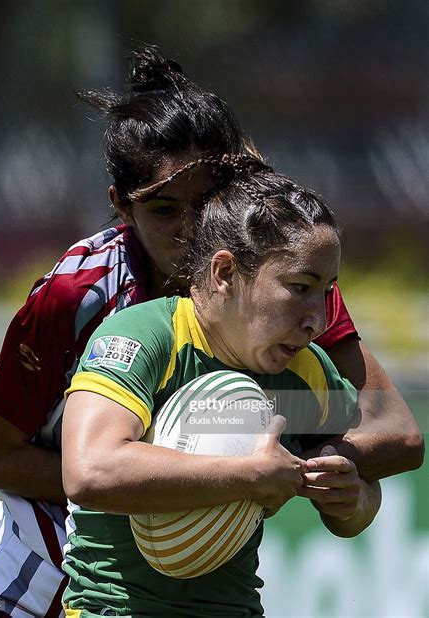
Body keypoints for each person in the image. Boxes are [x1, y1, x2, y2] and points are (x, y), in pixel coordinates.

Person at [0, 46, 422, 617]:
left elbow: (394, 432)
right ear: (122, 208)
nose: (189, 227)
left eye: (206, 200)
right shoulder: (79, 297)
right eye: (163, 209)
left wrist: (304, 470)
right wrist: (180, 477)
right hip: (38, 575)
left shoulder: (279, 289)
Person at [61, 168, 382, 617]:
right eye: (300, 288)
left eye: (325, 292)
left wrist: (353, 499)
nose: (318, 321)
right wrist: (249, 475)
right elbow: (89, 472)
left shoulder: (302, 368)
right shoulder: (146, 336)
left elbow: (363, 493)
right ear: (225, 271)